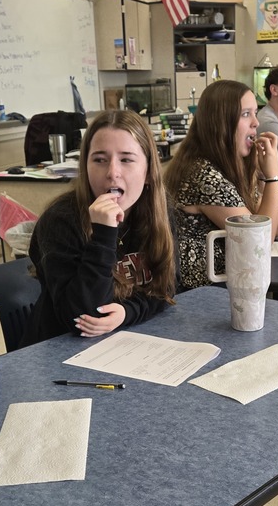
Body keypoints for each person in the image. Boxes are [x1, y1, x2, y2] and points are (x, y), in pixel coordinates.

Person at [166, 79, 278, 309]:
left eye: (254, 113)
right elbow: (260, 240)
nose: (256, 123)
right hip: (205, 296)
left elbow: (269, 224)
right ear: (221, 124)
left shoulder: (225, 165)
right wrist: (273, 175)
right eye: (246, 114)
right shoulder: (202, 174)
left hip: (231, 283)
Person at [21, 110, 176, 346]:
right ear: (85, 167)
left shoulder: (159, 212)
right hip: (62, 350)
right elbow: (83, 317)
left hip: (126, 342)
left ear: (147, 171)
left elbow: (167, 288)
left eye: (126, 159)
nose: (112, 173)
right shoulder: (60, 220)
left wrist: (127, 313)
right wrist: (104, 235)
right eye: (100, 160)